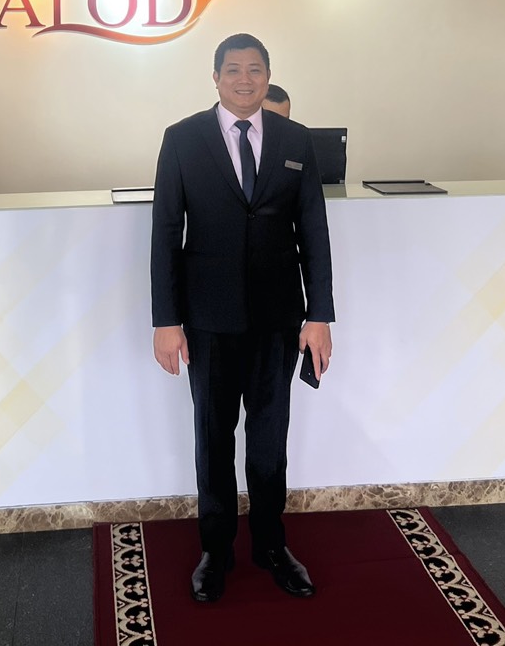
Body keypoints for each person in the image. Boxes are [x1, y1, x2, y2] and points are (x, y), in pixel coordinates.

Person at [151, 32, 334, 604]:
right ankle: (215, 549)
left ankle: (272, 546)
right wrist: (166, 320)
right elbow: (166, 233)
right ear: (216, 78)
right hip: (207, 319)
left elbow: (314, 231)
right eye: (233, 69)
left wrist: (319, 314)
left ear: (267, 75)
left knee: (269, 439)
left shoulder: (295, 139)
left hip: (279, 320)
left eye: (255, 69)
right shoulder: (182, 139)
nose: (245, 79)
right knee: (212, 438)